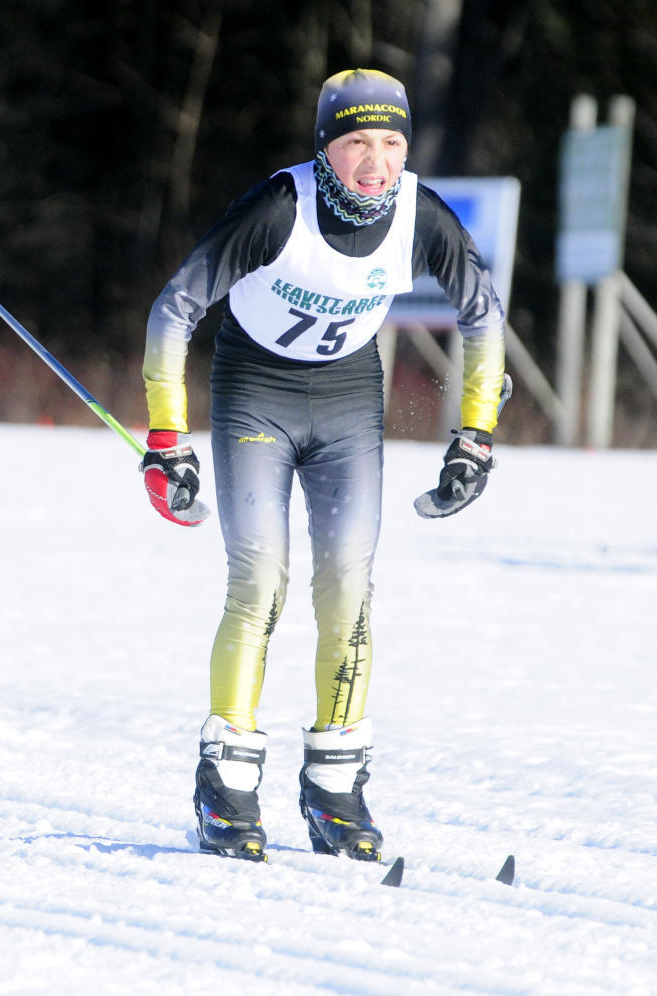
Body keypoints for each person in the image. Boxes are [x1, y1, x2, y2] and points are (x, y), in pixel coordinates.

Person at [140, 69, 507, 862]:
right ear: (324, 146)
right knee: (260, 583)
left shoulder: (420, 213)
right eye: (356, 142)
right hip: (256, 398)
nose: (376, 162)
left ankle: (335, 787)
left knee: (347, 586)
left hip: (345, 404)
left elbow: (483, 315)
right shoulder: (281, 207)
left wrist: (474, 435)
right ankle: (228, 786)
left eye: (392, 142)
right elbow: (174, 308)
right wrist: (167, 439)